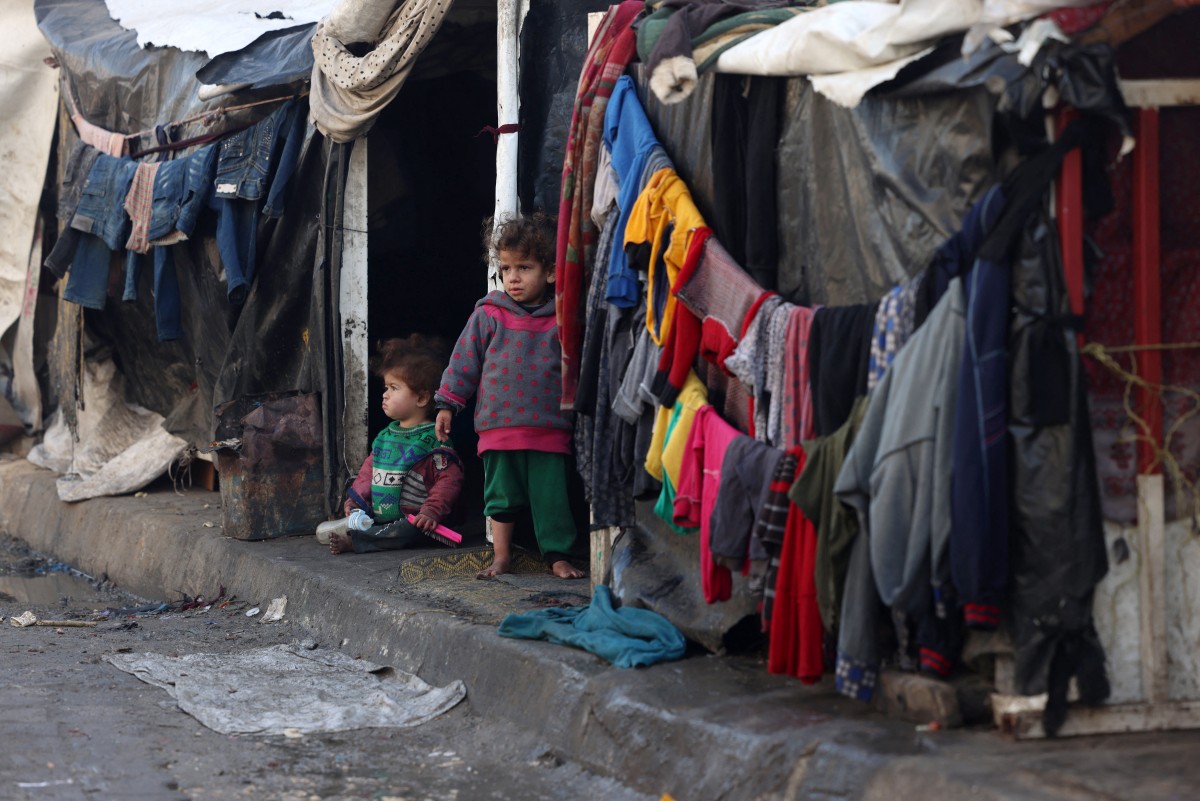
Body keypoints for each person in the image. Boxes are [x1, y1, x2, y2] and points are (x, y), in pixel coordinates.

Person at [435, 213, 585, 579]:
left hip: (549, 428)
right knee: (500, 498)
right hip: (498, 428)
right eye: (506, 268)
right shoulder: (489, 316)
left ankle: (557, 556)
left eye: (524, 267)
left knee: (552, 500)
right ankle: (501, 556)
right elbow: (463, 362)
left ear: (550, 272)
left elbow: (578, 366)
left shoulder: (563, 319)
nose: (512, 277)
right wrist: (447, 404)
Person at [330, 335, 464, 555]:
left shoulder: (434, 439)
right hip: (382, 520)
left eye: (394, 388)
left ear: (421, 398)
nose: (385, 394)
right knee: (362, 523)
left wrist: (430, 512)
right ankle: (365, 536)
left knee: (407, 530)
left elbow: (449, 481)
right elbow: (367, 474)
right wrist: (355, 504)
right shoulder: (385, 436)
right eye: (386, 387)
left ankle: (357, 544)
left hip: (419, 522)